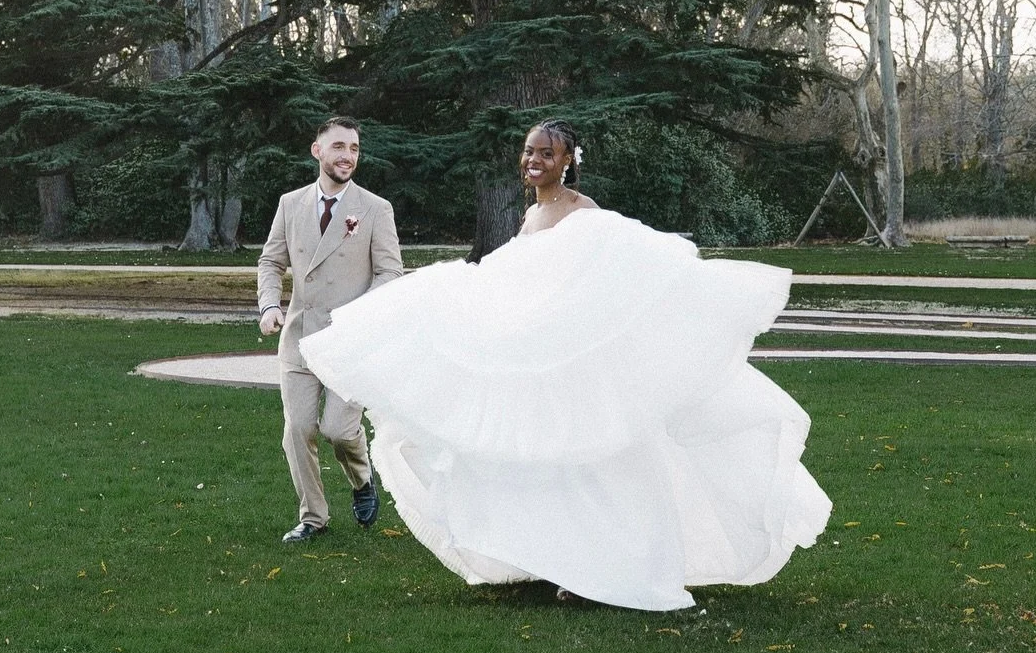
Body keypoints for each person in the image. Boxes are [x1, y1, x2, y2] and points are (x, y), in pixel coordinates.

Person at [300, 118, 831, 611]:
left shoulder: (585, 212)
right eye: (529, 152)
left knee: (586, 466)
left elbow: (611, 274)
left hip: (572, 365)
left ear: (567, 161)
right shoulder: (532, 213)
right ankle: (550, 558)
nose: (533, 161)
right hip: (534, 356)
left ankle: (600, 569)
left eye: (546, 154)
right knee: (533, 462)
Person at [257, 116, 402, 545]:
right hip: (300, 338)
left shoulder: (375, 209)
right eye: (339, 147)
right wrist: (270, 305)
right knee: (297, 432)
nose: (348, 156)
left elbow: (390, 273)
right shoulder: (291, 204)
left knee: (339, 430)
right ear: (317, 151)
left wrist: (358, 319)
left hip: (349, 343)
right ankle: (312, 517)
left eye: (355, 148)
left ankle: (361, 479)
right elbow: (271, 262)